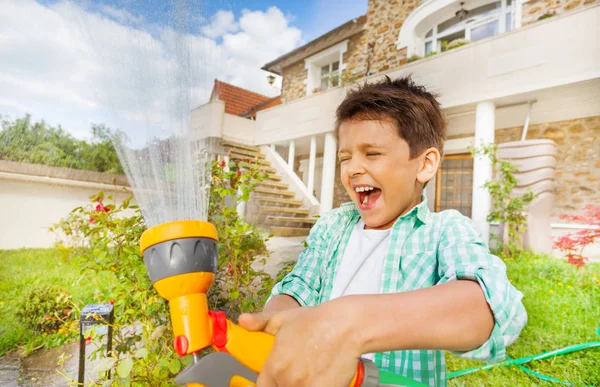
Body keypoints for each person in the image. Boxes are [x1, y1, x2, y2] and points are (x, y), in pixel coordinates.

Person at [238, 75, 527, 387]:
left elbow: (488, 308)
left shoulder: (444, 231)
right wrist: (278, 323)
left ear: (425, 164)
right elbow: (297, 287)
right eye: (345, 157)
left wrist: (351, 323)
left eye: (372, 153)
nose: (352, 168)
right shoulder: (332, 227)